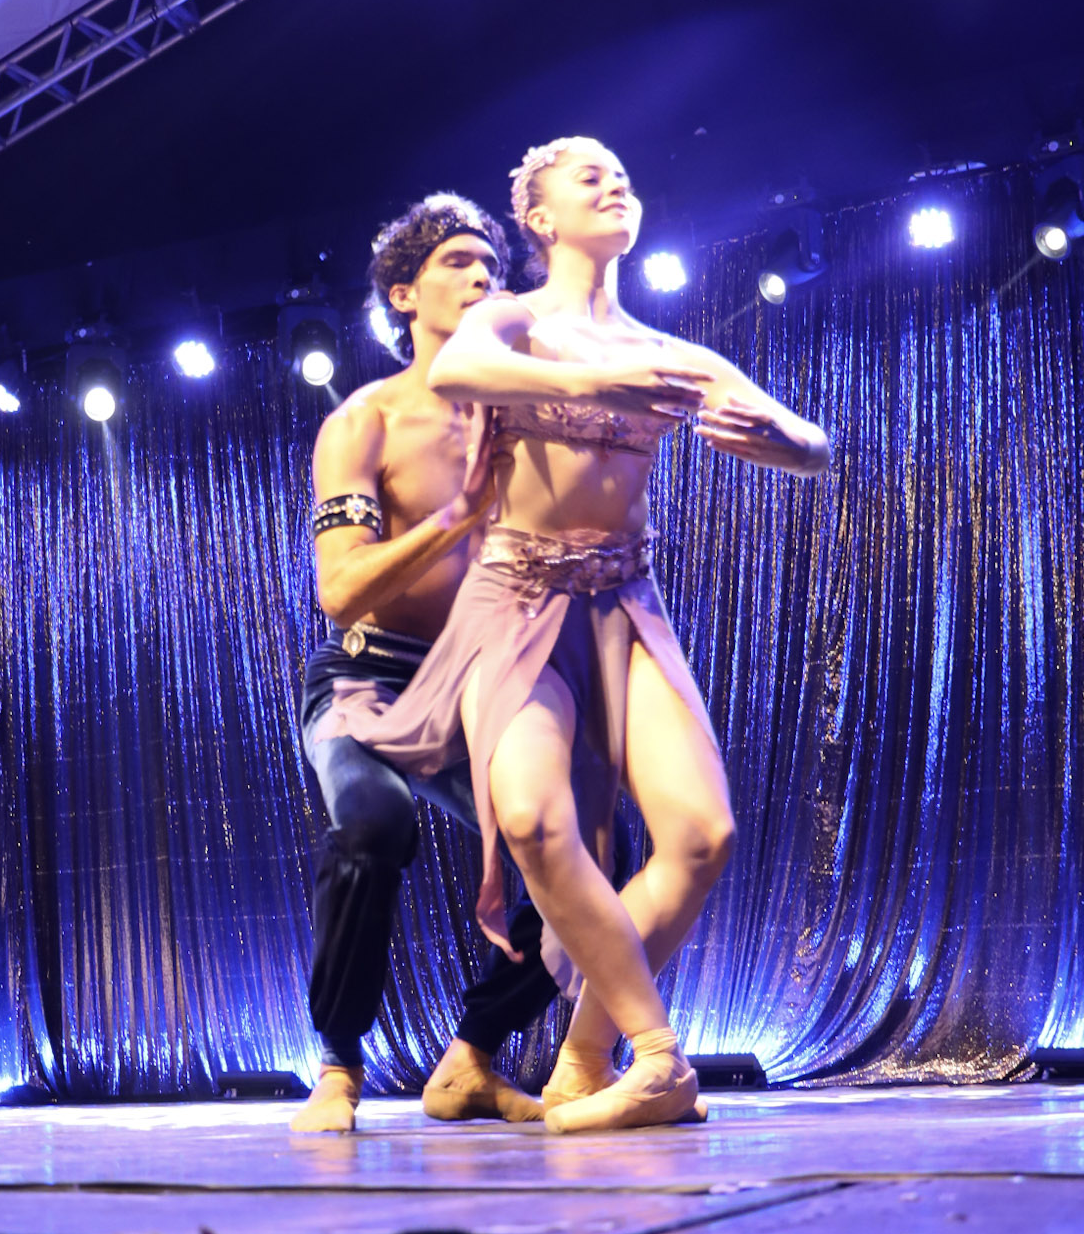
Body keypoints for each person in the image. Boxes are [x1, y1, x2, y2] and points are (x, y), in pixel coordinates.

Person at [316, 137, 831, 1134]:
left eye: (623, 176)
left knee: (701, 835)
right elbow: (462, 366)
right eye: (588, 175)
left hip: (625, 602)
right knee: (524, 822)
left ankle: (585, 1058)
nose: (615, 184)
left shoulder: (667, 350)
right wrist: (603, 385)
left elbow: (814, 443)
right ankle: (657, 1056)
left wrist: (782, 440)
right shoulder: (510, 326)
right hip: (513, 607)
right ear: (541, 218)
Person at [291, 193, 562, 1135]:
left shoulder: (525, 417)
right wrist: (458, 515)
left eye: (492, 263)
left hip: (482, 680)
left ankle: (472, 1058)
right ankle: (337, 1065)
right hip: (367, 680)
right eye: (456, 260)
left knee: (591, 855)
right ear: (403, 294)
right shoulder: (364, 421)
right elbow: (341, 589)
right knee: (374, 822)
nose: (482, 273)